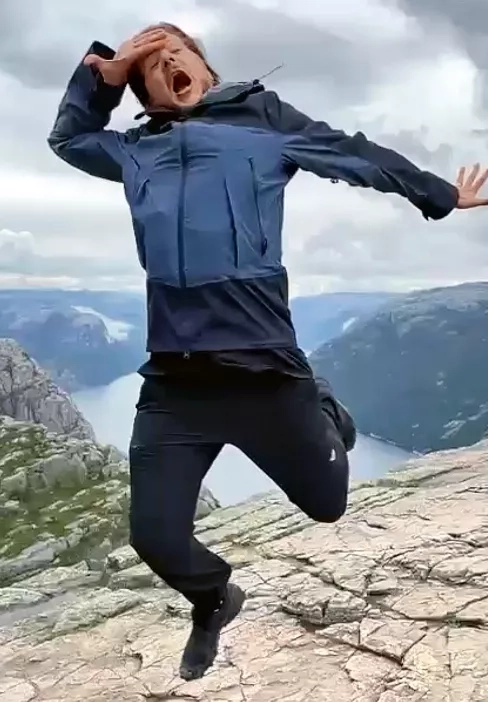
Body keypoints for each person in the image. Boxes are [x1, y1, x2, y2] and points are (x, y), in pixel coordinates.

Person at [48, 23, 488, 681]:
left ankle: (324, 406)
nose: (163, 63)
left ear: (204, 66)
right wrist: (99, 77)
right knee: (155, 537)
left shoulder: (266, 122)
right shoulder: (134, 151)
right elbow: (69, 139)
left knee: (328, 504)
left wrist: (438, 192)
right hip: (175, 386)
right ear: (144, 94)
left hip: (267, 376)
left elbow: (352, 153)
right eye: (148, 65)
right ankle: (214, 597)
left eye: (176, 51)